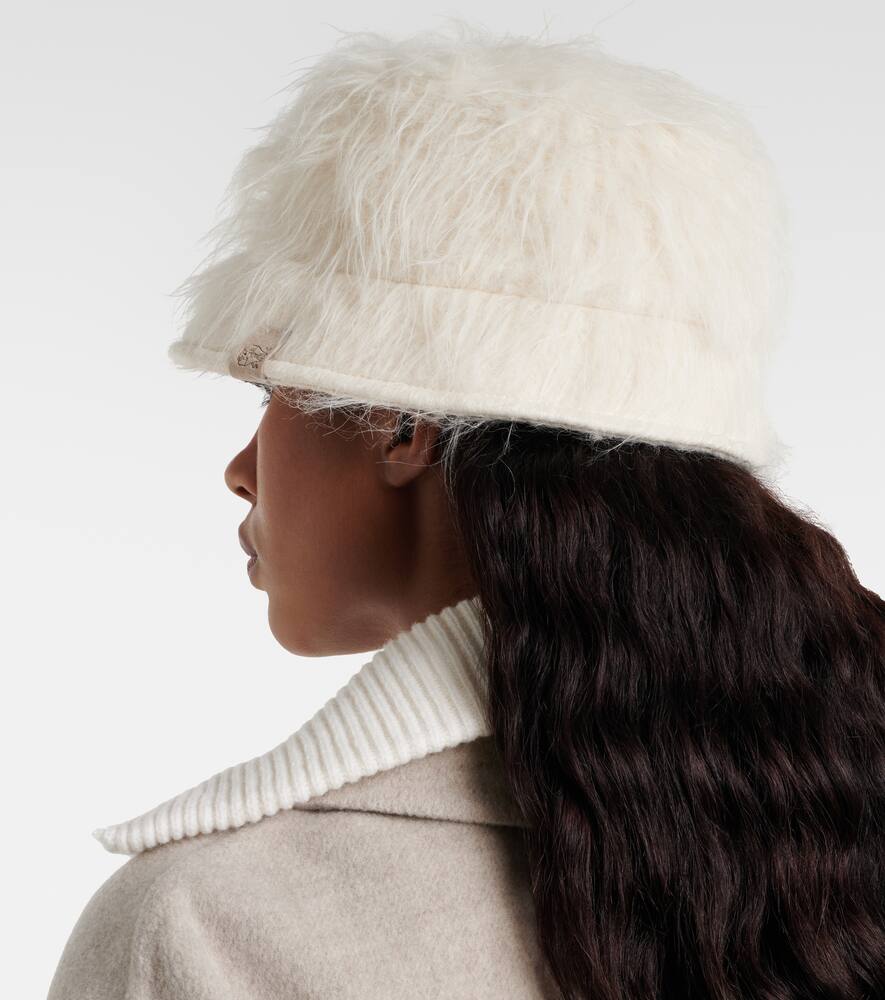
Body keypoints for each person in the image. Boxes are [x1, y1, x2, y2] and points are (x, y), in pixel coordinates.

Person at [48, 19, 884, 1000]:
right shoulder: (829, 836)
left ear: (400, 423)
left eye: (269, 390)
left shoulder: (206, 926)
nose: (241, 469)